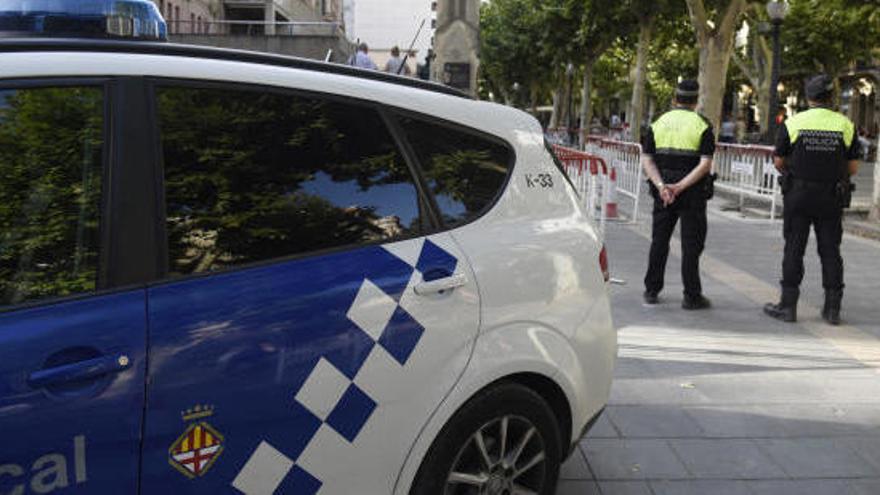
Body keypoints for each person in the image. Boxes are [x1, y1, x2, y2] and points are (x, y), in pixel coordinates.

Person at [764, 75, 861, 325]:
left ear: (808, 97)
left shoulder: (793, 122)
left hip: (798, 195)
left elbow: (778, 160)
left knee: (794, 249)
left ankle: (788, 306)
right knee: (830, 251)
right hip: (831, 196)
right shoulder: (845, 124)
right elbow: (853, 167)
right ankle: (832, 309)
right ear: (831, 97)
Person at [641, 79, 715, 310]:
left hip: (663, 194)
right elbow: (705, 164)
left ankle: (651, 290)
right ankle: (691, 296)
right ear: (696, 100)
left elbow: (647, 160)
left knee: (659, 241)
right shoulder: (703, 125)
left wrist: (663, 186)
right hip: (692, 193)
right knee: (691, 245)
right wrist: (680, 186)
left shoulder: (658, 123)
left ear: (675, 99)